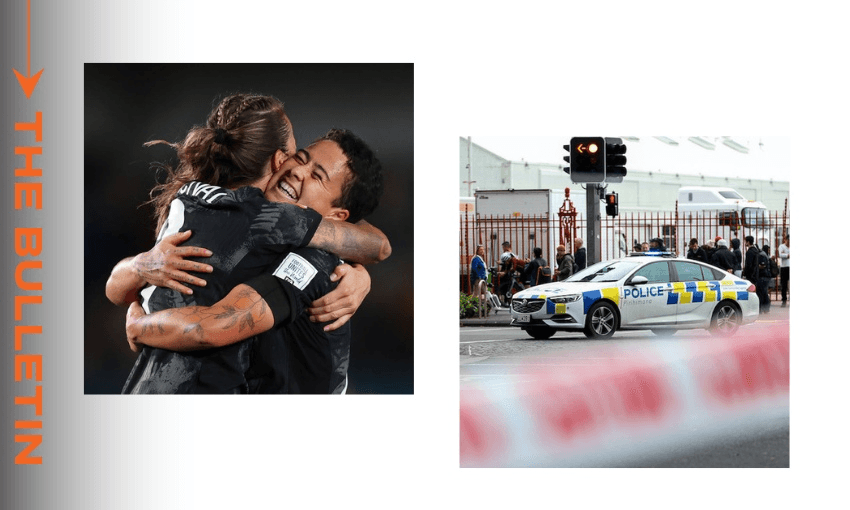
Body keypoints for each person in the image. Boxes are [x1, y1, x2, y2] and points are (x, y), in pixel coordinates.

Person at [107, 94, 388, 393]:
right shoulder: (265, 222)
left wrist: (139, 317)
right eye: (299, 157)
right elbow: (378, 246)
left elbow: (121, 292)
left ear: (338, 217)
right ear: (276, 159)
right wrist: (141, 269)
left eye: (317, 176)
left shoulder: (190, 199)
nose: (296, 170)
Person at [779, 234, 790, 306]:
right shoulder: (781, 246)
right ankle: (784, 300)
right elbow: (780, 255)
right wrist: (787, 255)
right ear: (786, 240)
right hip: (784, 267)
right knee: (784, 285)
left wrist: (785, 254)